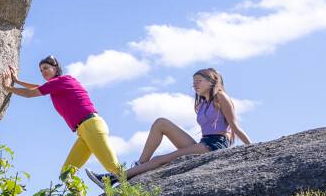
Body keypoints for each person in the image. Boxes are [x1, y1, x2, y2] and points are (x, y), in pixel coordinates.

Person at [105, 68, 252, 182]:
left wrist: (252, 148)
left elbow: (234, 126)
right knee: (160, 123)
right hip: (204, 143)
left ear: (211, 81)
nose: (194, 85)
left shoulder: (220, 97)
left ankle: (116, 178)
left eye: (198, 81)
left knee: (160, 159)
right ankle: (139, 165)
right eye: (193, 82)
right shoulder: (201, 105)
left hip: (216, 144)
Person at [1, 56, 126, 184]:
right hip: (84, 131)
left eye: (46, 68)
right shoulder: (57, 85)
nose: (43, 72)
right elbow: (39, 87)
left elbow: (29, 93)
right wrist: (17, 80)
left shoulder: (63, 80)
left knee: (115, 169)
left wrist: (7, 87)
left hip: (91, 126)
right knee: (66, 175)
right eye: (40, 70)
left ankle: (135, 193)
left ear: (55, 68)